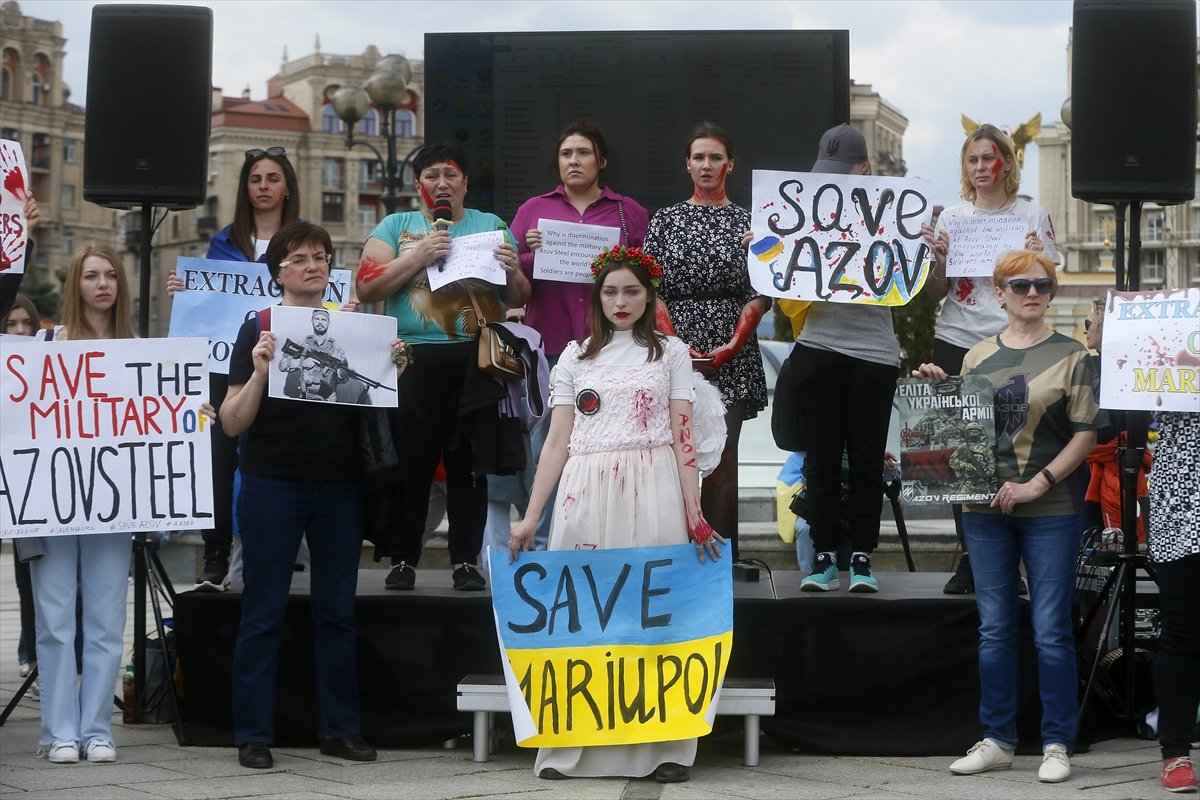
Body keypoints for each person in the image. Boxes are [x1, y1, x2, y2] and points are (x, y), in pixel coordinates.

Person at [508, 245, 726, 784]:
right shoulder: (574, 357)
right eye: (610, 292)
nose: (621, 301)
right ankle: (568, 748)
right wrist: (532, 517)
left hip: (652, 484)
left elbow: (681, 435)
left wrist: (694, 510)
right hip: (585, 486)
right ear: (596, 297)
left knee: (651, 616)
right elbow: (556, 442)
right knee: (581, 615)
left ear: (648, 294)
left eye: (631, 291)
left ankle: (665, 747)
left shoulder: (672, 353)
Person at [913, 249, 1103, 784]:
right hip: (984, 507)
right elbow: (961, 433)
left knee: (1050, 629)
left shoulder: (1073, 355)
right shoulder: (976, 357)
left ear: (1053, 292)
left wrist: (1036, 483)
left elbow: (1087, 436)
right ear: (999, 294)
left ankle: (1057, 743)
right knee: (994, 628)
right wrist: (937, 389)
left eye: (1042, 284)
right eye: (1020, 286)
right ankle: (997, 738)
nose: (1032, 293)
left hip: (1052, 507)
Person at [220, 221, 390, 770]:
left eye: (321, 256)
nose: (313, 266)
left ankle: (340, 728)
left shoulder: (356, 326)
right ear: (278, 273)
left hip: (339, 485)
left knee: (337, 610)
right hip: (273, 484)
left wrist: (394, 368)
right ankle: (252, 732)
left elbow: (373, 402)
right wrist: (259, 373)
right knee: (263, 608)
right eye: (300, 258)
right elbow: (230, 422)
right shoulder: (258, 328)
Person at [356, 142, 529, 591]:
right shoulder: (397, 225)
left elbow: (519, 297)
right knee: (413, 460)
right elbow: (366, 286)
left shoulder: (490, 226)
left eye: (450, 175)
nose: (442, 183)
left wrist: (512, 271)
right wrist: (418, 255)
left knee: (469, 462)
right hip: (412, 357)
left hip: (475, 357)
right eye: (431, 175)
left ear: (465, 183)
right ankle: (403, 558)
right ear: (418, 186)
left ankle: (465, 561)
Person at [920, 124, 1059, 595]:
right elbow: (935, 292)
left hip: (1016, 342)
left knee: (1013, 447)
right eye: (973, 160)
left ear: (1006, 163)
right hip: (957, 341)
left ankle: (1012, 562)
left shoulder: (1031, 215)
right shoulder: (951, 219)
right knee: (961, 457)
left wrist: (1039, 257)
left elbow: (1046, 286)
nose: (981, 168)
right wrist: (938, 261)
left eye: (989, 158)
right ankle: (971, 559)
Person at [510, 121, 649, 549]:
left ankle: (599, 539)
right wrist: (527, 253)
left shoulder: (629, 212)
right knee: (546, 445)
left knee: (609, 443)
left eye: (583, 153)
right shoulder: (533, 209)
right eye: (566, 153)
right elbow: (511, 283)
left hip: (613, 348)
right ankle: (546, 536)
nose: (574, 160)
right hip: (549, 347)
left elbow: (648, 278)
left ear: (601, 161)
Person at [170, 146, 302, 591]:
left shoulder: (303, 241)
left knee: (279, 454)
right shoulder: (222, 243)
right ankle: (215, 551)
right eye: (255, 179)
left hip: (284, 364)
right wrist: (186, 290)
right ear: (244, 189)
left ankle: (286, 550)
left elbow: (318, 288)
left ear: (287, 189)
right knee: (219, 458)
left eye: (272, 179)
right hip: (225, 365)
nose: (263, 187)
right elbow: (207, 302)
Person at [27, 244, 137, 764]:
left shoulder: (140, 348)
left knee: (105, 619)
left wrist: (191, 413)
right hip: (52, 498)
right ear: (76, 284)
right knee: (53, 620)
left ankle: (97, 729)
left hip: (113, 503)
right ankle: (58, 731)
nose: (101, 284)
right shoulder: (46, 344)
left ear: (120, 285)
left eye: (110, 275)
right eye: (91, 275)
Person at [644, 122, 767, 563]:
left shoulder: (751, 222)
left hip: (731, 347)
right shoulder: (665, 220)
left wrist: (732, 344)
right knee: (670, 453)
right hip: (671, 347)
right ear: (687, 164)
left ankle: (721, 559)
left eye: (716, 157)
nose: (707, 164)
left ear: (730, 165)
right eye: (699, 157)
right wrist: (677, 348)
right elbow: (650, 288)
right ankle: (674, 553)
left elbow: (761, 292)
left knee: (720, 455)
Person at [787, 123, 897, 593]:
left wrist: (925, 250)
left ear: (864, 169)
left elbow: (911, 285)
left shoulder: (893, 215)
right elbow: (780, 277)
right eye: (825, 171)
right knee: (821, 457)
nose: (832, 180)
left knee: (869, 459)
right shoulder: (806, 212)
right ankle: (825, 555)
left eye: (841, 171)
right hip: (818, 343)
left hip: (874, 351)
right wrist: (765, 250)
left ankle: (863, 556)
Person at [1147, 410, 1200, 793]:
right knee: (1182, 631)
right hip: (1181, 497)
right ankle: (1176, 752)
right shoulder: (1153, 345)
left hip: (1177, 493)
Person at [278, 308, 349, 401]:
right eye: (317, 319)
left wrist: (341, 374)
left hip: (329, 398)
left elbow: (344, 379)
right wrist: (302, 362)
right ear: (312, 321)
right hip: (305, 395)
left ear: (328, 322)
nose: (320, 322)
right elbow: (282, 366)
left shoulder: (337, 349)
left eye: (324, 319)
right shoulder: (302, 344)